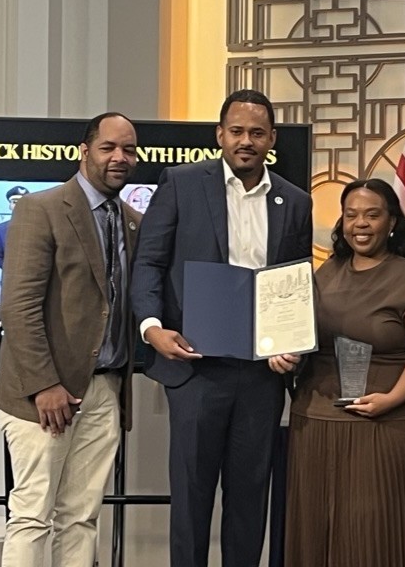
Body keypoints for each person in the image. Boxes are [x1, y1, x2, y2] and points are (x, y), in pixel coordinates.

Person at [131, 89, 312, 567]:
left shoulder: (293, 201)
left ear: (272, 139)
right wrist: (152, 329)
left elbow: (294, 283)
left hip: (260, 375)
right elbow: (148, 262)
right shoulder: (182, 183)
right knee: (190, 502)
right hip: (194, 368)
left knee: (250, 502)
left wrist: (291, 345)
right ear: (220, 135)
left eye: (257, 133)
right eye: (237, 132)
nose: (246, 141)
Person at [269, 179, 405, 566]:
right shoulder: (325, 273)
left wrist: (391, 399)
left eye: (372, 215)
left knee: (377, 533)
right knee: (321, 530)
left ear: (392, 223)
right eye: (351, 215)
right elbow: (302, 336)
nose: (360, 224)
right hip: (317, 423)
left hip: (391, 424)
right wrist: (283, 353)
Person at [0, 113, 142, 567]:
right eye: (109, 148)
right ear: (85, 150)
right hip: (45, 393)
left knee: (81, 518)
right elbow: (18, 308)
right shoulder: (40, 209)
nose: (120, 158)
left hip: (105, 390)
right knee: (32, 515)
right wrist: (44, 385)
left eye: (129, 150)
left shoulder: (133, 220)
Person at [0, 185, 29, 270]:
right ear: (10, 205)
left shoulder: (39, 227)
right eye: (15, 202)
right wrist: (12, 272)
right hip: (10, 278)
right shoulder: (0, 229)